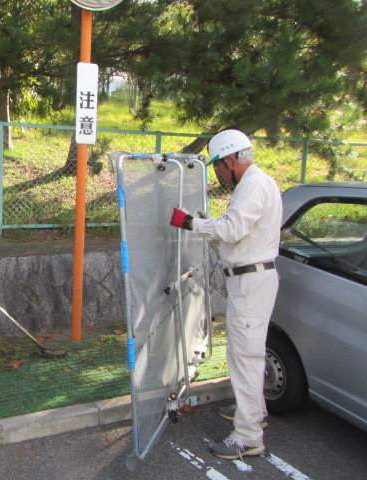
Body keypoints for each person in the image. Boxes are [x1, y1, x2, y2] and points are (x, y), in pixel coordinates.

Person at [169, 129, 282, 459]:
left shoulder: (253, 185)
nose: (218, 174)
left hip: (251, 281)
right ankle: (253, 414)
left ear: (233, 160)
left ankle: (247, 437)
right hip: (252, 279)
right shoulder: (259, 182)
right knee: (250, 354)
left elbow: (232, 229)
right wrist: (206, 221)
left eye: (218, 166)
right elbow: (237, 225)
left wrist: (191, 223)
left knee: (244, 358)